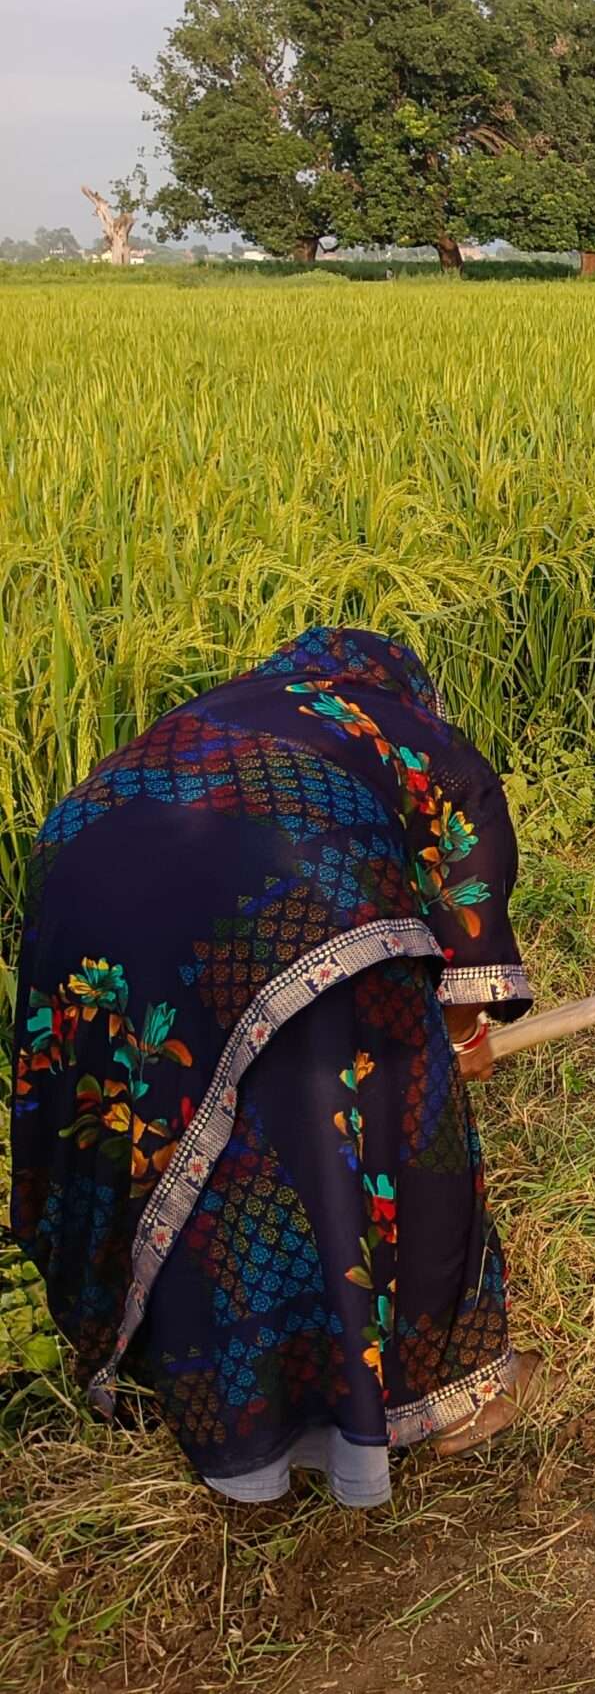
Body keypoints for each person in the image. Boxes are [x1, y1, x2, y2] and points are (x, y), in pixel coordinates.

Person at [10, 628, 540, 1508]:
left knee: (198, 1155)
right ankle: (453, 1400)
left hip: (77, 888)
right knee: (389, 1117)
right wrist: (450, 1034)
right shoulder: (412, 731)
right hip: (288, 900)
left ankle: (231, 1423)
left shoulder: (225, 714)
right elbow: (466, 917)